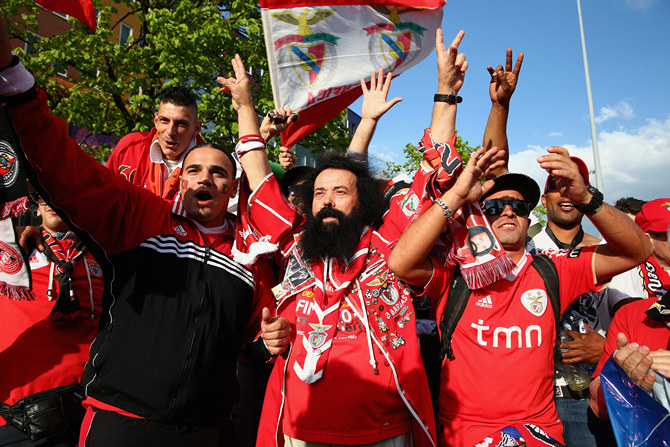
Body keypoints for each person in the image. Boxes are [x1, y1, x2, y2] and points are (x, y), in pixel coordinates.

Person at [0, 22, 290, 446]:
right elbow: (66, 169)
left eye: (218, 172)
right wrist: (17, 84)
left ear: (232, 188)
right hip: (120, 422)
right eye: (193, 170)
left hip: (206, 429)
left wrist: (270, 341)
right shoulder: (140, 218)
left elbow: (252, 344)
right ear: (178, 182)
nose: (203, 178)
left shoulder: (251, 259)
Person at [226, 29, 467, 447]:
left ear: (364, 203)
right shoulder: (295, 247)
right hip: (300, 433)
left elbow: (434, 177)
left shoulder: (391, 242)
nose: (328, 201)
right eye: (319, 193)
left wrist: (445, 92)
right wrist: (246, 106)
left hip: (384, 433)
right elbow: (257, 174)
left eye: (341, 193)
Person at [387, 146, 652, 445]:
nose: (509, 211)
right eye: (494, 206)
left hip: (539, 434)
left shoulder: (557, 270)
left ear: (528, 219)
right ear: (479, 219)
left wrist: (587, 199)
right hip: (465, 436)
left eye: (519, 206)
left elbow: (640, 250)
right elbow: (400, 263)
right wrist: (456, 196)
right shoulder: (456, 274)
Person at [526, 158, 637, 446]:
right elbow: (498, 171)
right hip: (532, 398)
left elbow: (633, 320)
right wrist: (500, 109)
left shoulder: (608, 254)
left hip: (587, 400)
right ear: (543, 197)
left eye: (573, 185)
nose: (565, 193)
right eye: (556, 186)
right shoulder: (529, 244)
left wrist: (607, 350)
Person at [0, 193, 104, 446]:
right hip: (19, 419)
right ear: (35, 209)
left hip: (89, 412)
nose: (52, 199)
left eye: (60, 192)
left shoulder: (107, 257)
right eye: (43, 195)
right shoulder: (11, 249)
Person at [106, 86, 204, 200]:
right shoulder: (130, 146)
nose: (170, 131)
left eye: (180, 124)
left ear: (196, 128)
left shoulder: (210, 164)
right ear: (156, 121)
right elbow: (103, 195)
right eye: (164, 120)